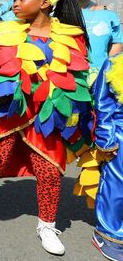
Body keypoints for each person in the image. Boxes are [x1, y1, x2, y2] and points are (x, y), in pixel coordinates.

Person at [0, 0, 93, 256]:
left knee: (49, 171)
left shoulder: (73, 38)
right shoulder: (0, 31)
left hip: (48, 115)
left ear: (44, 2)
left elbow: (77, 77)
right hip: (9, 115)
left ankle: (47, 224)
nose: (15, 4)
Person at [75, 54, 123, 260]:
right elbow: (102, 104)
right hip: (121, 137)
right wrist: (107, 139)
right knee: (117, 185)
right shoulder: (115, 63)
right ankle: (109, 235)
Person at [63, 0, 123, 77]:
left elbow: (116, 43)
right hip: (66, 75)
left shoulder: (109, 15)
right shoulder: (58, 13)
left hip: (99, 76)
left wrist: (109, 70)